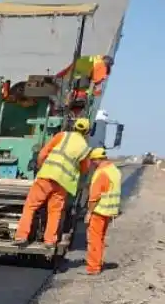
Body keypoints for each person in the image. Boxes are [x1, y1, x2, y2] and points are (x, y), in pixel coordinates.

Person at [13, 117, 93, 248]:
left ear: (74, 127)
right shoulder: (85, 148)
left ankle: (21, 236)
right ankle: (50, 240)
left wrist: (39, 167)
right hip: (62, 183)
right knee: (55, 211)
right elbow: (85, 169)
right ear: (87, 131)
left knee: (31, 206)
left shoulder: (62, 136)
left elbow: (44, 153)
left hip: (46, 176)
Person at [83, 147, 121, 275]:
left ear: (97, 159)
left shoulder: (101, 173)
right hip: (109, 211)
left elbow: (94, 196)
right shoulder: (114, 170)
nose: (92, 164)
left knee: (94, 239)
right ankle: (98, 263)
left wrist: (89, 212)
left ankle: (93, 268)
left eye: (93, 161)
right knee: (100, 239)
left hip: (99, 211)